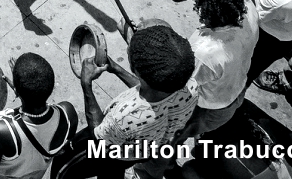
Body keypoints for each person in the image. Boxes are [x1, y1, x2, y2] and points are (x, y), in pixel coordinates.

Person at [53, 23, 197, 179]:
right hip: (139, 152)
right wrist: (117, 69)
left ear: (137, 71)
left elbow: (98, 136)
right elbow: (152, 89)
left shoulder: (125, 116)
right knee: (113, 172)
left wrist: (86, 83)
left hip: (106, 151)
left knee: (63, 165)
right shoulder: (191, 87)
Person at [0, 53, 78, 179]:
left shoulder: (2, 130)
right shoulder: (68, 113)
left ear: (16, 90)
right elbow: (60, 148)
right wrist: (23, 93)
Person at [180, 0, 259, 138]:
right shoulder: (250, 10)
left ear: (203, 5)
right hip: (236, 90)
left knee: (180, 133)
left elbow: (178, 85)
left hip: (208, 108)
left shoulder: (203, 51)